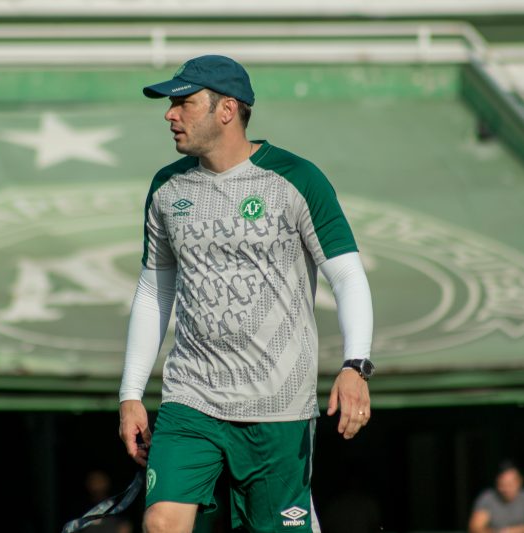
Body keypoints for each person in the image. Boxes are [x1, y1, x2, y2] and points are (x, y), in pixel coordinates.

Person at [118, 55, 374, 533]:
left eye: (183, 103)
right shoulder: (167, 189)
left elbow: (348, 277)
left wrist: (355, 366)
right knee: (162, 523)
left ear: (227, 109)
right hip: (191, 396)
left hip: (278, 405)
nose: (170, 114)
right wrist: (131, 394)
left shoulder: (298, 179)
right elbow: (154, 291)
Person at [468, 462, 524, 533]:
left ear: (519, 481)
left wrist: (513, 531)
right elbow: (475, 528)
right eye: (502, 484)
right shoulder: (486, 498)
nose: (507, 489)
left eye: (510, 484)